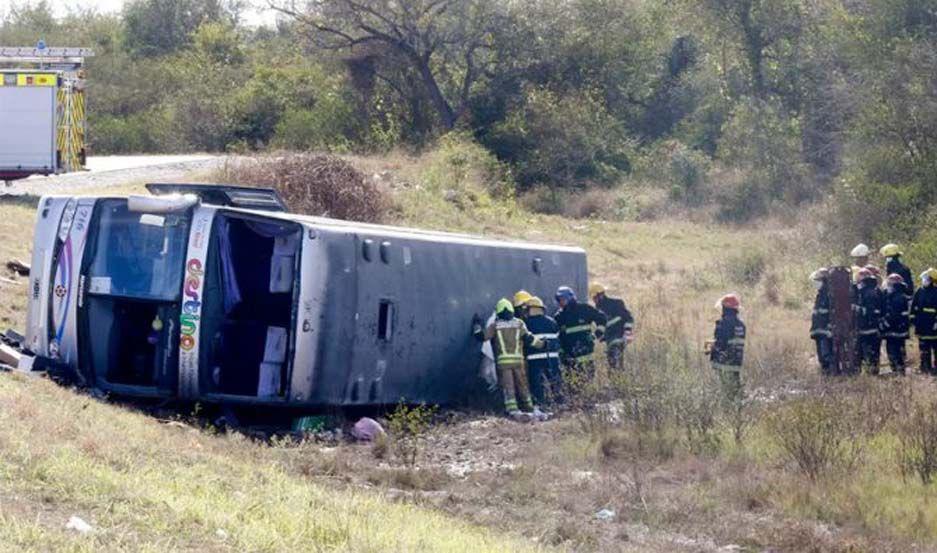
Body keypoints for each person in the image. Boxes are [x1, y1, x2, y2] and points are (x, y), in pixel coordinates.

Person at [473, 299, 546, 421]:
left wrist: (477, 325)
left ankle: (513, 411)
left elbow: (481, 337)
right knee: (523, 385)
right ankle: (529, 408)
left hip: (504, 362)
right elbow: (529, 339)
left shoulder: (495, 325)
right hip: (518, 362)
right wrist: (543, 344)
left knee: (509, 387)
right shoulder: (519, 323)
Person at [553, 286, 607, 381]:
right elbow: (557, 336)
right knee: (571, 383)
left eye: (562, 299)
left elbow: (602, 318)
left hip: (585, 351)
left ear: (570, 298)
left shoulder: (584, 309)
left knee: (587, 379)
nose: (560, 302)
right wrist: (561, 352)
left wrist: (597, 334)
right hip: (568, 357)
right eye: (559, 300)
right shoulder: (559, 316)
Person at [523, 296, 564, 407]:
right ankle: (560, 404)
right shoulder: (552, 322)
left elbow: (525, 341)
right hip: (552, 358)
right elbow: (558, 340)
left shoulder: (526, 324)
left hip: (534, 359)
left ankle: (540, 405)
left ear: (530, 309)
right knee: (555, 381)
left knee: (537, 385)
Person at [708, 293, 746, 402]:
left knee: (725, 391)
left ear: (725, 308)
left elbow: (721, 343)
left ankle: (728, 411)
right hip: (736, 363)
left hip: (724, 363)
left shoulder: (724, 323)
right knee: (735, 388)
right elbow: (733, 342)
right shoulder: (741, 325)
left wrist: (713, 348)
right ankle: (738, 409)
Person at [589, 283, 635, 371]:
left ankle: (617, 380)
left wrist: (627, 331)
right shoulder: (598, 309)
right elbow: (603, 326)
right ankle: (617, 381)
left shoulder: (616, 304)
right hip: (610, 339)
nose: (594, 300)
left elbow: (628, 318)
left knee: (615, 363)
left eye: (595, 297)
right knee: (614, 364)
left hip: (618, 337)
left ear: (601, 295)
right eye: (593, 298)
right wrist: (599, 336)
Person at [854, 267, 884, 374]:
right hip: (872, 328)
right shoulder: (875, 290)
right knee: (872, 353)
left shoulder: (868, 292)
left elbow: (871, 311)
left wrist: (857, 309)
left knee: (869, 353)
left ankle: (871, 374)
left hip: (868, 328)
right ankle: (872, 372)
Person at [881, 273, 911, 374]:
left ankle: (898, 370)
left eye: (889, 284)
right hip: (900, 329)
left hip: (895, 329)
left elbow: (894, 314)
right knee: (899, 349)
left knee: (894, 350)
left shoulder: (897, 297)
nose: (887, 286)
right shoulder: (899, 295)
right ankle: (899, 370)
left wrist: (884, 324)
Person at [911, 268, 937, 375]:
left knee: (935, 348)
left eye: (926, 278)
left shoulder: (936, 292)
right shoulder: (919, 291)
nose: (924, 280)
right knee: (923, 348)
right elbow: (914, 306)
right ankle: (925, 367)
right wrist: (912, 319)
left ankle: (935, 369)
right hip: (921, 325)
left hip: (933, 326)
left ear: (931, 280)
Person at [809, 268, 834, 375]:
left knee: (826, 355)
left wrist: (829, 328)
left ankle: (830, 374)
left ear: (824, 280)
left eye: (818, 280)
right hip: (818, 331)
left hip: (825, 332)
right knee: (821, 355)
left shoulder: (829, 294)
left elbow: (833, 312)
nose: (816, 283)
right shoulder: (820, 294)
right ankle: (825, 373)